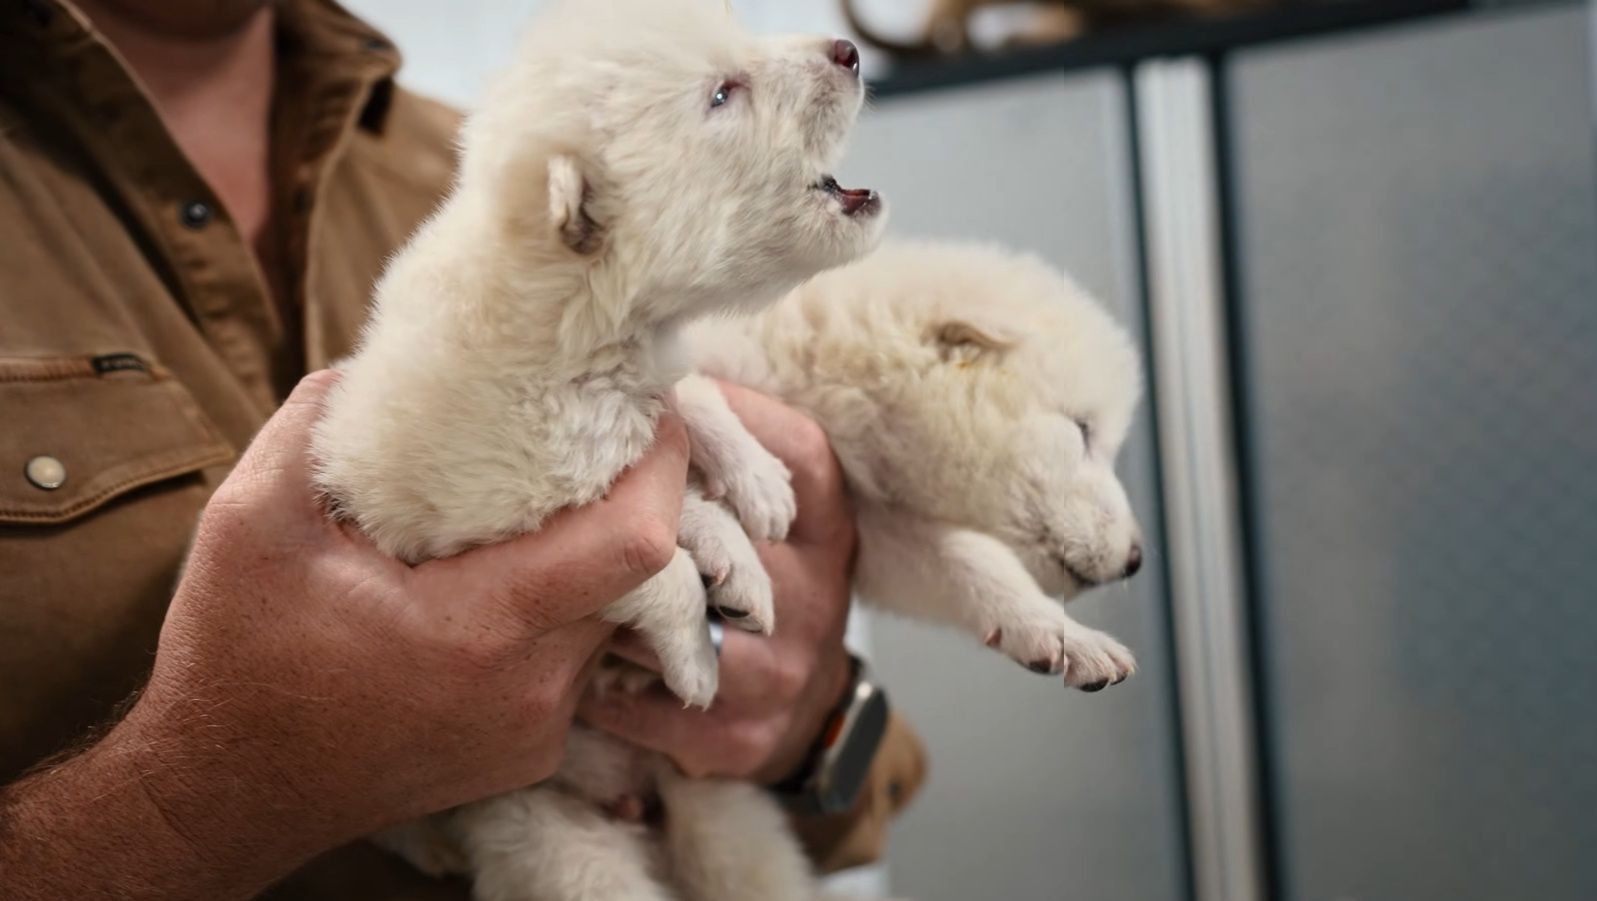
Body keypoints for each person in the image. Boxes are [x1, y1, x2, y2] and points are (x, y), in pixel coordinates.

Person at [0, 1, 925, 898]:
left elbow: (874, 778)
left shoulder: (515, 147)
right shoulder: (560, 177)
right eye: (724, 92)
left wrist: (815, 724)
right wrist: (195, 800)